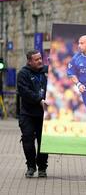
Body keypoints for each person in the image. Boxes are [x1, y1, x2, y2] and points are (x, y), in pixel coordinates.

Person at [17, 50, 49, 178]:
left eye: (40, 58)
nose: (40, 61)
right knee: (28, 140)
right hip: (27, 114)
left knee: (44, 143)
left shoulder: (46, 71)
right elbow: (24, 91)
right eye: (36, 59)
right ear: (29, 61)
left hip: (43, 115)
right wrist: (39, 100)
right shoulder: (23, 74)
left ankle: (42, 167)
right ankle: (31, 166)